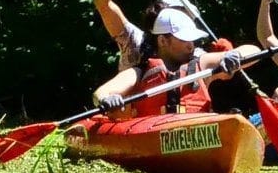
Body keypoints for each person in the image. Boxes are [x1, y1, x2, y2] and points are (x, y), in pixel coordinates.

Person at [93, 7, 260, 117]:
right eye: (184, 39)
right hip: (152, 131)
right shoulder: (140, 72)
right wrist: (107, 99)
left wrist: (236, 55)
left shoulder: (202, 63)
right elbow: (101, 93)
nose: (191, 44)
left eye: (192, 39)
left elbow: (254, 51)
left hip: (197, 127)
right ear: (163, 41)